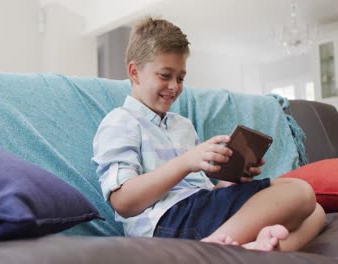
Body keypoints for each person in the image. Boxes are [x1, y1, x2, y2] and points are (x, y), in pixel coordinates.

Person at [92, 17, 325, 251]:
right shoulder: (120, 121)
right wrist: (185, 162)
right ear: (135, 72)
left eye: (180, 78)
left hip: (197, 211)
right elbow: (123, 202)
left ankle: (257, 249)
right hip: (163, 222)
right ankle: (210, 251)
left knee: (316, 211)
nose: (174, 86)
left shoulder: (181, 125)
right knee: (300, 192)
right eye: (165, 75)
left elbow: (203, 193)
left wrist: (231, 179)